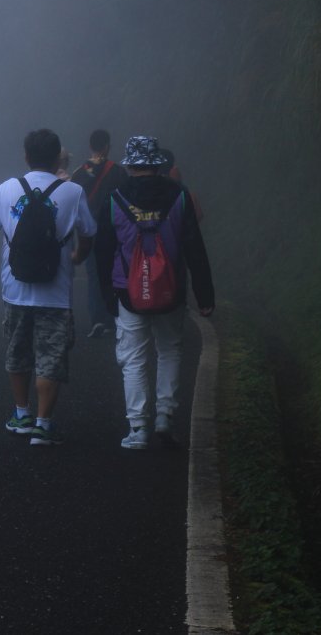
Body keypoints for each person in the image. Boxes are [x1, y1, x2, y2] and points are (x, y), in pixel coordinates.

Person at [0, 129, 96, 446]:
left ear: (26, 156)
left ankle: (21, 414)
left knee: (18, 352)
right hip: (56, 293)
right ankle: (43, 425)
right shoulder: (72, 192)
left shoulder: (7, 189)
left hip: (14, 289)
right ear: (58, 157)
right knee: (50, 357)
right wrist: (76, 257)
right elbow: (87, 235)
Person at [94, 135, 215, 450]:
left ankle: (138, 429)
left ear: (130, 165)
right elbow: (194, 248)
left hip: (127, 292)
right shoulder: (179, 195)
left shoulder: (113, 197)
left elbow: (103, 250)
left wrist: (107, 292)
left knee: (133, 358)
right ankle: (165, 416)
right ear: (157, 163)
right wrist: (205, 295)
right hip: (170, 289)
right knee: (170, 350)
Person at [70, 129, 129, 338]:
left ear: (91, 146)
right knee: (117, 272)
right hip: (115, 231)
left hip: (89, 231)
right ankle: (118, 317)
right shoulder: (119, 172)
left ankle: (98, 319)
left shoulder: (79, 172)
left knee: (94, 274)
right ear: (107, 146)